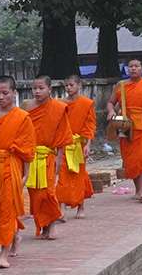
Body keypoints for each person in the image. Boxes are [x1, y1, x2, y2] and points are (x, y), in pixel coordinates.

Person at [0, 76, 36, 268]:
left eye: (5, 93)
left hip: (12, 165)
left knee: (7, 208)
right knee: (1, 210)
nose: (1, 97)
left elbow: (28, 148)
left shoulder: (22, 117)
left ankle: (3, 254)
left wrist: (26, 174)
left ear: (14, 93)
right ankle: (15, 235)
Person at [107, 59, 142, 203]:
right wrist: (110, 112)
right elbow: (110, 102)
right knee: (131, 160)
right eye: (130, 66)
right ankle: (138, 190)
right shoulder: (121, 86)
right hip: (126, 127)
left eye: (136, 66)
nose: (133, 69)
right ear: (127, 69)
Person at [24, 75, 73, 239]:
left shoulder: (58, 108)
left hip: (48, 156)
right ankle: (42, 226)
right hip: (31, 157)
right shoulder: (26, 106)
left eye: (41, 88)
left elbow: (63, 136)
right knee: (35, 195)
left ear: (49, 89)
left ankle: (51, 225)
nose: (37, 91)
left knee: (48, 193)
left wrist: (59, 159)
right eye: (34, 88)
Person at [56, 75, 96, 220]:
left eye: (71, 85)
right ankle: (61, 208)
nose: (68, 88)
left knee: (79, 175)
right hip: (63, 144)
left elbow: (90, 125)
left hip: (79, 144)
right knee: (61, 176)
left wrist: (88, 144)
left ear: (79, 85)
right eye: (66, 85)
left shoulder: (87, 103)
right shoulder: (60, 104)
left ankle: (81, 206)